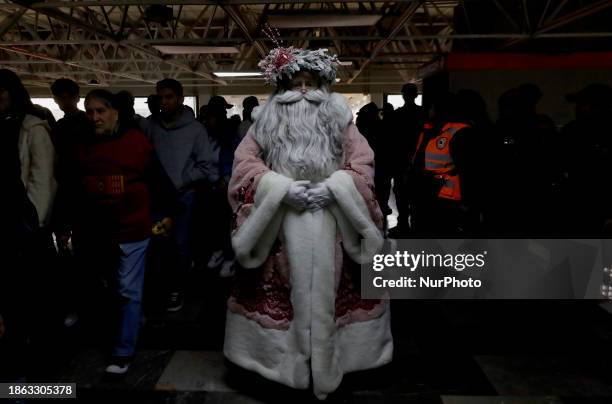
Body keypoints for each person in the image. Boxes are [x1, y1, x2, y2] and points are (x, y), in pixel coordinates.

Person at [225, 47, 392, 400]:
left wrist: (336, 189)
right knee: (279, 293)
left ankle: (342, 361)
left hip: (334, 223)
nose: (303, 91)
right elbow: (243, 167)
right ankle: (276, 365)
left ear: (322, 85)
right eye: (296, 83)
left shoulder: (341, 121)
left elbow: (363, 163)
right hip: (280, 225)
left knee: (339, 294)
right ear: (282, 88)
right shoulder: (265, 122)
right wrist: (280, 189)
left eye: (310, 83)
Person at [55, 89, 177, 374]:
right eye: (90, 111)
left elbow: (158, 181)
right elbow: (70, 188)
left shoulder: (136, 143)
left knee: (128, 290)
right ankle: (120, 330)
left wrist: (166, 214)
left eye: (100, 111)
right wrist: (64, 225)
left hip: (133, 228)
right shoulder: (82, 147)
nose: (94, 117)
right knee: (107, 288)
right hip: (97, 231)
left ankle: (123, 351)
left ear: (115, 112)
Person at [144, 79, 219, 312]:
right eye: (160, 97)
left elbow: (208, 167)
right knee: (156, 244)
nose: (164, 102)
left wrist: (180, 180)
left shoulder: (195, 130)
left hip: (183, 197)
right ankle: (159, 289)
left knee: (179, 245)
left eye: (169, 97)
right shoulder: (149, 127)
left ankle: (177, 289)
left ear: (180, 99)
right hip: (155, 199)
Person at [389, 83, 425, 237]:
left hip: (401, 160)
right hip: (419, 161)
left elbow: (393, 140)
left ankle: (403, 224)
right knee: (416, 194)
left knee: (401, 194)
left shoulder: (398, 115)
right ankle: (416, 225)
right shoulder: (422, 114)